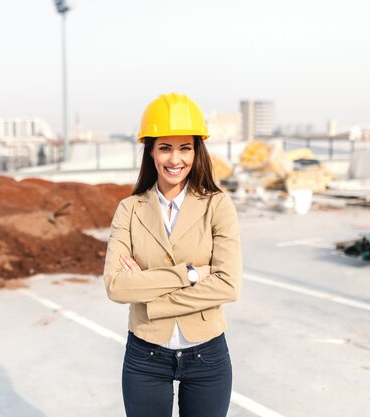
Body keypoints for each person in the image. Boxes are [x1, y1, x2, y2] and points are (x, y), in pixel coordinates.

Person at [103, 93, 242, 417]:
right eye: (165, 147)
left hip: (207, 356)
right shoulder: (129, 210)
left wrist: (150, 299)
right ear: (150, 151)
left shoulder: (217, 206)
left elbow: (228, 285)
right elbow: (116, 287)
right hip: (145, 358)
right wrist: (191, 275)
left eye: (185, 148)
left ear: (197, 151)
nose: (175, 159)